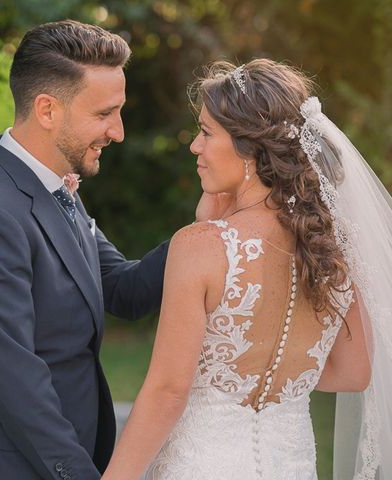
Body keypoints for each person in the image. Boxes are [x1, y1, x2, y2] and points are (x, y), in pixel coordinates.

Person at [102, 59, 392, 480]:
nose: (194, 147)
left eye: (205, 133)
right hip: (291, 466)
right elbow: (353, 372)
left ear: (250, 150)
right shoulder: (334, 252)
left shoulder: (201, 247)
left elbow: (168, 391)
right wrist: (280, 386)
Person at [0, 20, 169, 480]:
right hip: (8, 466)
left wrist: (213, 231)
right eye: (104, 114)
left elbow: (122, 289)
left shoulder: (57, 189)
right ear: (46, 109)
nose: (118, 132)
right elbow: (17, 382)